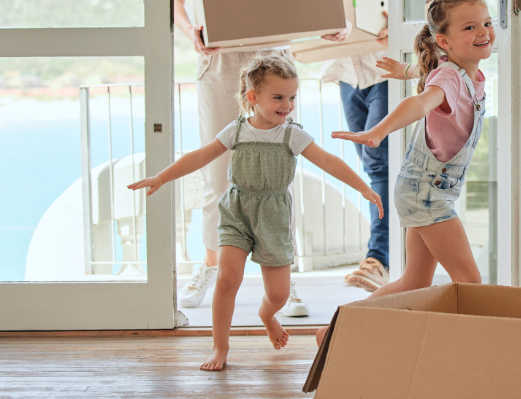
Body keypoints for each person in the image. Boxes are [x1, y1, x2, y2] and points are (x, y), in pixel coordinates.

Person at [129, 54, 383, 371]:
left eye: (291, 97)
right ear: (253, 97)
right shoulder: (236, 131)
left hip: (274, 216)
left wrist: (363, 187)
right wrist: (161, 177)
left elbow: (329, 161)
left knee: (277, 294)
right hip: (238, 210)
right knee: (227, 278)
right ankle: (220, 348)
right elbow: (198, 157)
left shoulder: (292, 134)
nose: (286, 104)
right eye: (278, 97)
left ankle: (267, 315)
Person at [172, 0, 309, 315]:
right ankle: (210, 265)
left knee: (278, 171)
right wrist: (190, 31)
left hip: (273, 66)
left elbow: (307, 2)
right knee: (216, 171)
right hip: (222, 65)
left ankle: (285, 281)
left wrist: (328, 23)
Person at [319, 0, 491, 346]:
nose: (483, 31)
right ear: (443, 41)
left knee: (414, 282)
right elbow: (423, 99)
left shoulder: (464, 72)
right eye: (470, 27)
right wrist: (378, 130)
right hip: (426, 193)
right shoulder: (451, 79)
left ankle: (335, 331)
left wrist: (406, 71)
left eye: (486, 23)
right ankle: (475, 351)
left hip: (422, 190)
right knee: (469, 280)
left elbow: (428, 73)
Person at [317, 0, 443, 293]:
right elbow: (326, 12)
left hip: (385, 71)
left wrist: (402, 24)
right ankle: (387, 260)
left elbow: (434, 3)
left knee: (381, 162)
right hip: (347, 72)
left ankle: (378, 259)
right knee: (372, 164)